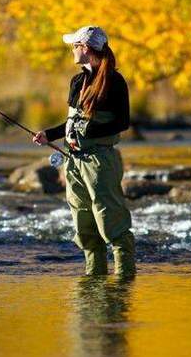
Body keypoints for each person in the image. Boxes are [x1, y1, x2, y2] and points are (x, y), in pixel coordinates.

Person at [33, 26, 136, 277]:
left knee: (109, 218)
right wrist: (50, 134)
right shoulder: (77, 81)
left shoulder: (115, 82)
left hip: (100, 161)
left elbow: (122, 122)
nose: (72, 50)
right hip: (73, 161)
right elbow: (71, 122)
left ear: (86, 48)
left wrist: (90, 132)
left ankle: (124, 279)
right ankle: (94, 277)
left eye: (74, 46)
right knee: (83, 222)